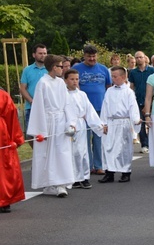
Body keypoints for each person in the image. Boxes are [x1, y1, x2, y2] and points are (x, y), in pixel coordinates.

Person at [26, 55, 77, 197]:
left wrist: (71, 123)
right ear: (54, 67)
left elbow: (67, 104)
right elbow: (38, 107)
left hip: (60, 121)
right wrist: (40, 130)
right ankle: (48, 184)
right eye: (61, 66)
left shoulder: (61, 83)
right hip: (48, 122)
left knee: (62, 152)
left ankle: (61, 183)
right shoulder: (43, 83)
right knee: (47, 154)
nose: (63, 69)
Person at [72, 44, 112, 175]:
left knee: (98, 137)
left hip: (100, 108)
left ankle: (99, 165)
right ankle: (87, 166)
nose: (92, 59)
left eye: (94, 56)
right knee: (84, 139)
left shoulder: (104, 69)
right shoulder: (76, 68)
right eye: (89, 56)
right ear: (84, 56)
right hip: (83, 111)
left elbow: (108, 87)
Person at [98, 66, 141, 184]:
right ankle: (109, 172)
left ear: (123, 77)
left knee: (123, 148)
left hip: (123, 123)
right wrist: (104, 123)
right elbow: (105, 107)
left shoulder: (128, 92)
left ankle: (125, 172)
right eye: (112, 76)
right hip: (111, 122)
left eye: (115, 76)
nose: (113, 79)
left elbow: (133, 107)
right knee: (108, 147)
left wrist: (136, 120)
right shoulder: (109, 91)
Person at [64, 69, 103, 190]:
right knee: (71, 152)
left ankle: (84, 177)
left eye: (76, 79)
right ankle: (74, 178)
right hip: (68, 126)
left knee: (82, 151)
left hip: (81, 124)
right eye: (72, 79)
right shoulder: (63, 95)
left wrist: (98, 125)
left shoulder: (82, 94)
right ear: (65, 80)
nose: (75, 82)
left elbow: (89, 111)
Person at [0, 87, 25, 212]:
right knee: (3, 169)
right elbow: (11, 117)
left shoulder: (3, 95)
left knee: (3, 169)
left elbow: (11, 116)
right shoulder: (3, 95)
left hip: (1, 136)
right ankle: (4, 201)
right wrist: (16, 138)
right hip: (2, 134)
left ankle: (3, 200)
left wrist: (15, 139)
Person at [128, 51, 154, 154]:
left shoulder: (152, 70)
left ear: (145, 58)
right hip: (138, 101)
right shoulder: (133, 72)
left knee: (152, 123)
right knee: (141, 123)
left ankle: (153, 143)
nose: (139, 59)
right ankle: (144, 144)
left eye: (140, 57)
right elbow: (131, 87)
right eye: (137, 58)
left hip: (151, 101)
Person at [19, 43, 47, 132]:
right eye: (40, 53)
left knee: (46, 133)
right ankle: (35, 147)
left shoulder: (50, 69)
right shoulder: (27, 70)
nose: (43, 55)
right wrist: (32, 101)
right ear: (34, 55)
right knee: (31, 134)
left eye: (45, 53)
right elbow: (22, 88)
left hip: (47, 107)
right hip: (31, 107)